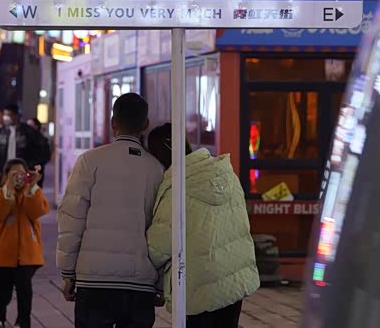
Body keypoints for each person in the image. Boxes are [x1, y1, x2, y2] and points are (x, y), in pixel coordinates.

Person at [57, 93, 164, 328]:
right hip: (139, 284)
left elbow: (71, 219)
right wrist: (160, 284)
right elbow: (162, 230)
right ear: (146, 124)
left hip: (93, 282)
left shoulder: (89, 161)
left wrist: (68, 272)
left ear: (113, 122)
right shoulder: (156, 169)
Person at [146, 123, 260, 328]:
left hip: (200, 286)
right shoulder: (227, 175)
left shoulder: (177, 189)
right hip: (234, 278)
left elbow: (158, 246)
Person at [0, 159, 49, 328]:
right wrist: (8, 189)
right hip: (2, 254)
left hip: (27, 254)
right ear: (6, 176)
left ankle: (23, 321)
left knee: (24, 289)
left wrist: (32, 187)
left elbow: (37, 211)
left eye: (22, 174)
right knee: (2, 291)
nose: (18, 178)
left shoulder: (32, 193)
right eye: (14, 174)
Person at [25, 118, 51, 189]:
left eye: (30, 125)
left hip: (36, 170)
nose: (27, 127)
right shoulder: (24, 138)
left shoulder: (42, 140)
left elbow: (47, 156)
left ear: (36, 126)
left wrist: (35, 164)